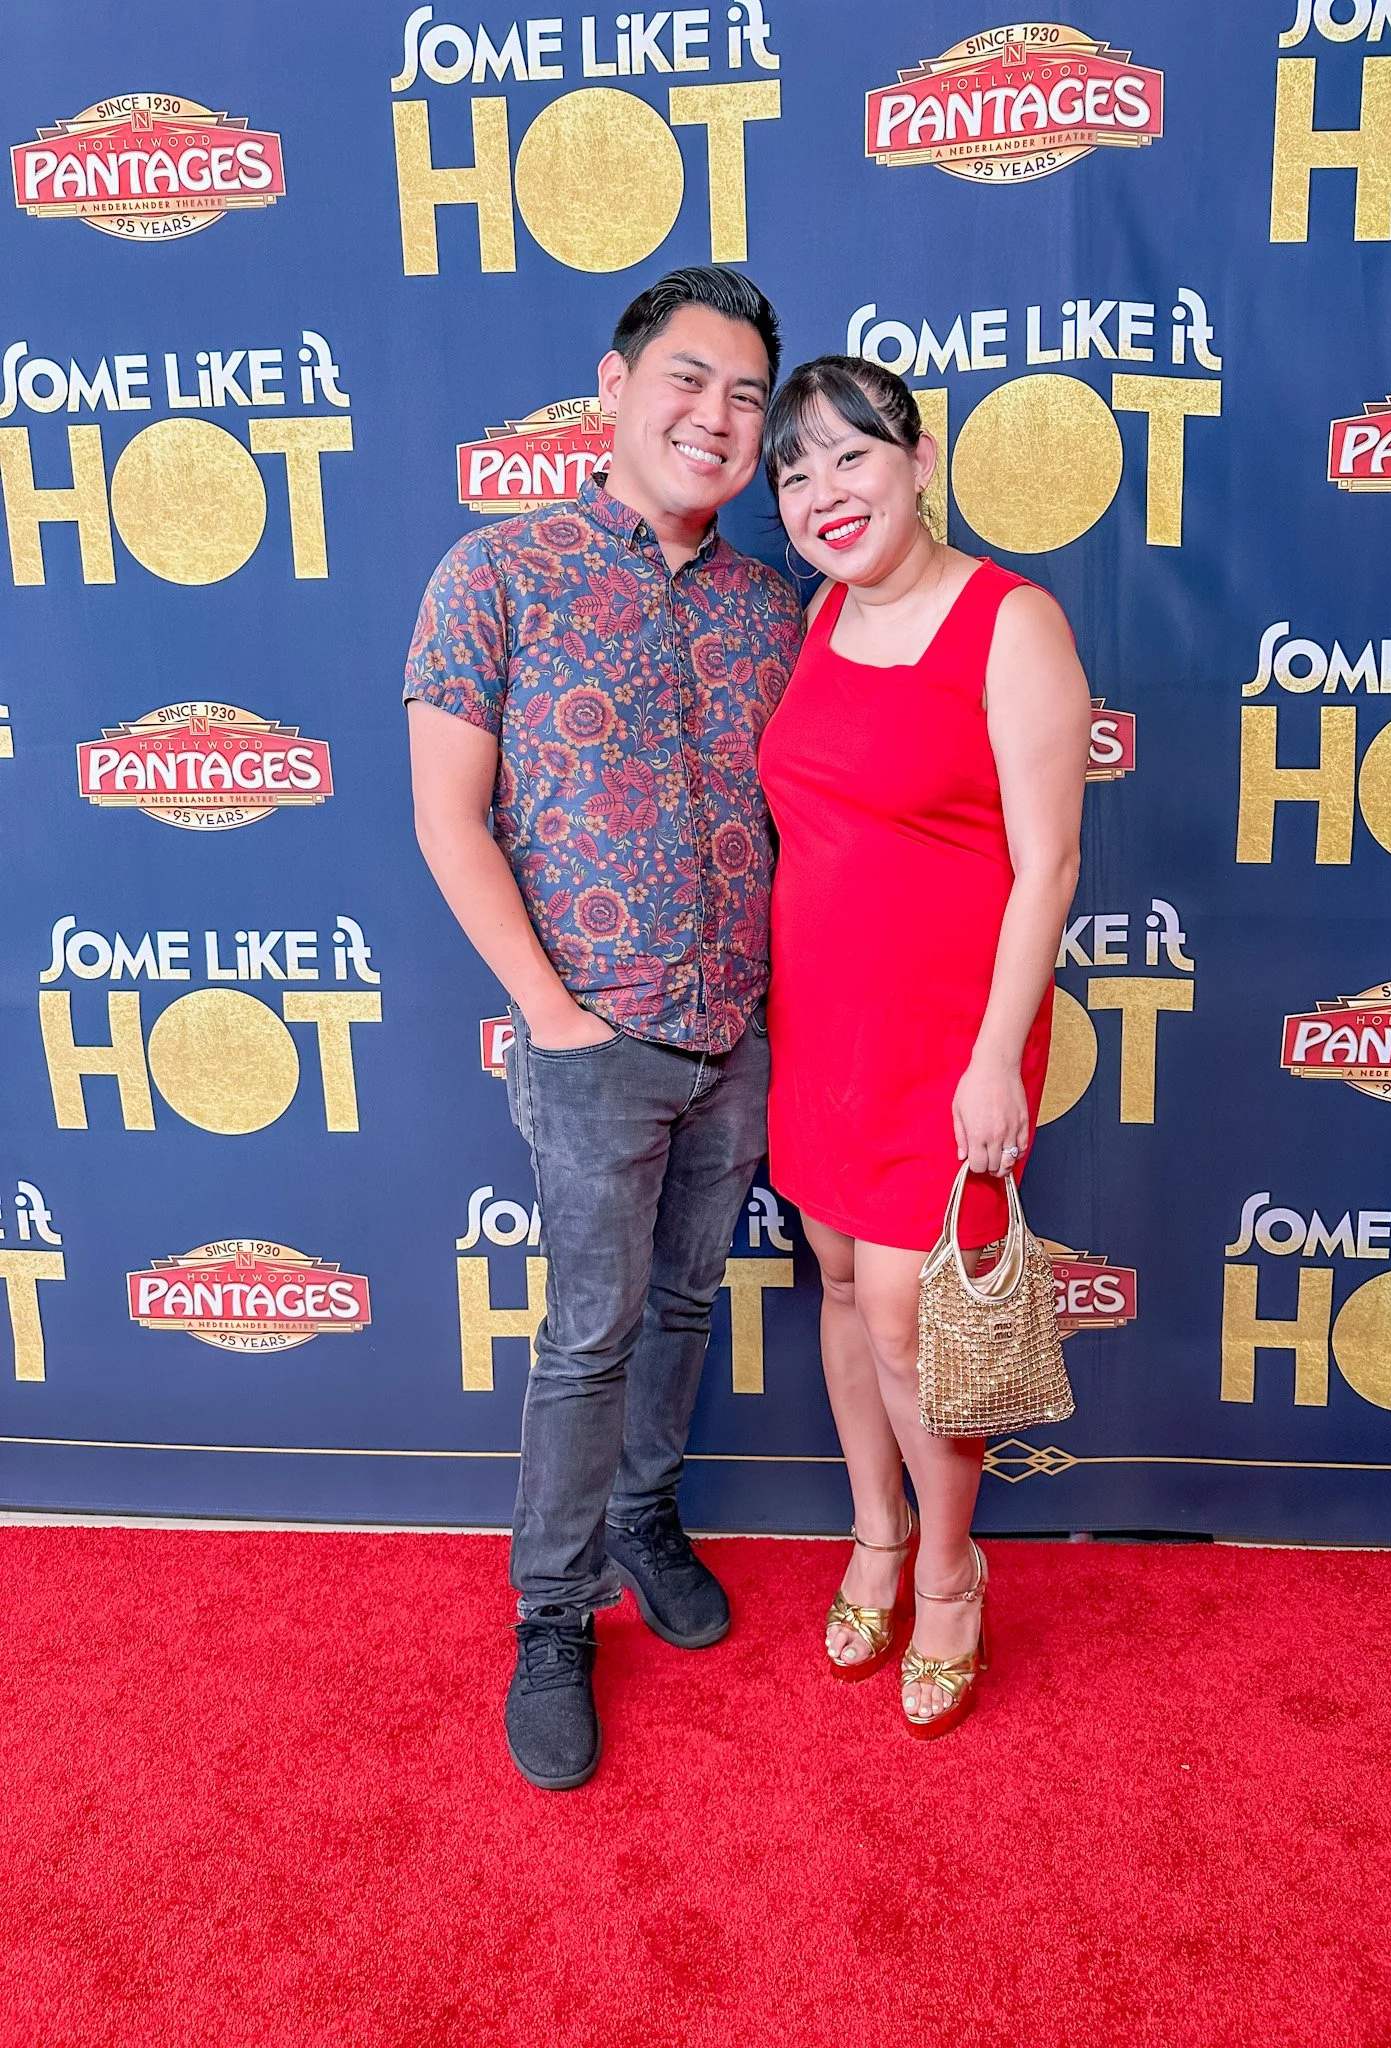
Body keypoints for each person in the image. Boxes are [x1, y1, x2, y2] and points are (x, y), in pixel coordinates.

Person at [404, 268, 802, 1791]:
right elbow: (449, 818)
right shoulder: (496, 573)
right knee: (589, 1334)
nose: (719, 417)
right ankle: (553, 1615)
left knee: (686, 1301)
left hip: (738, 1036)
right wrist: (551, 1016)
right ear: (616, 387)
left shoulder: (777, 606)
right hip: (590, 1044)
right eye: (690, 380)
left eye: (748, 397)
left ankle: (645, 1514)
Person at [758, 356, 1090, 1739]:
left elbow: (1049, 864)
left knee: (914, 1322)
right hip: (819, 1029)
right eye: (794, 473)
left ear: (917, 460)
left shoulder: (1012, 621)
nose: (824, 493)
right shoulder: (822, 615)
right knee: (841, 1285)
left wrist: (995, 1058)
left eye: (851, 457)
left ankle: (951, 1578)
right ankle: (876, 1536)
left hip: (947, 1044)